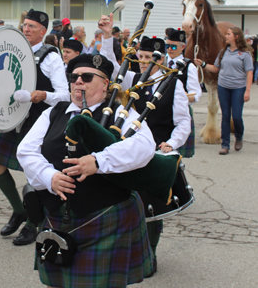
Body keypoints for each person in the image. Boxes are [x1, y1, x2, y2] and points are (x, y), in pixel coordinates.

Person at [17, 53, 155, 287]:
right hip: (58, 217)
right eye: (74, 77)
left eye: (87, 77)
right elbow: (26, 150)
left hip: (107, 216)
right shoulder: (54, 112)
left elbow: (144, 147)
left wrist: (99, 161)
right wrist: (49, 177)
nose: (78, 81)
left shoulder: (122, 114)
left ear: (105, 85)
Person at [99, 14, 190, 275]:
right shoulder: (133, 80)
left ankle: (151, 250)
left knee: (153, 207)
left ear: (161, 60)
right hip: (132, 148)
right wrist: (108, 37)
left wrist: (171, 145)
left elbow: (183, 123)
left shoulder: (175, 85)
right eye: (141, 57)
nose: (144, 62)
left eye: (150, 58)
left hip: (158, 150)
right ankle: (128, 248)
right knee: (129, 200)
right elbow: (111, 69)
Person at [0, 9, 69, 246]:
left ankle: (33, 223)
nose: (26, 29)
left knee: (35, 176)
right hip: (12, 118)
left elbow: (64, 95)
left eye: (32, 26)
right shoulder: (14, 49)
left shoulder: (51, 56)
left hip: (38, 121)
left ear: (43, 31)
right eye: (25, 25)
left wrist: (41, 94)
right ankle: (18, 210)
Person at [194, 26, 253, 155]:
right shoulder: (223, 52)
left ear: (236, 36)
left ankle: (238, 137)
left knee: (236, 116)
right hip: (223, 87)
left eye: (228, 34)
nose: (226, 36)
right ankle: (225, 144)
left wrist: (247, 90)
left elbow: (249, 73)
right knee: (225, 116)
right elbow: (216, 68)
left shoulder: (245, 54)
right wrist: (202, 64)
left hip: (238, 88)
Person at [165, 27, 202, 159]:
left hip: (180, 112)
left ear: (182, 47)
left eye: (173, 47)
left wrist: (179, 98)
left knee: (177, 155)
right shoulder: (162, 63)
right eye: (167, 46)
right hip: (162, 111)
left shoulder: (188, 66)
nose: (169, 49)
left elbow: (196, 93)